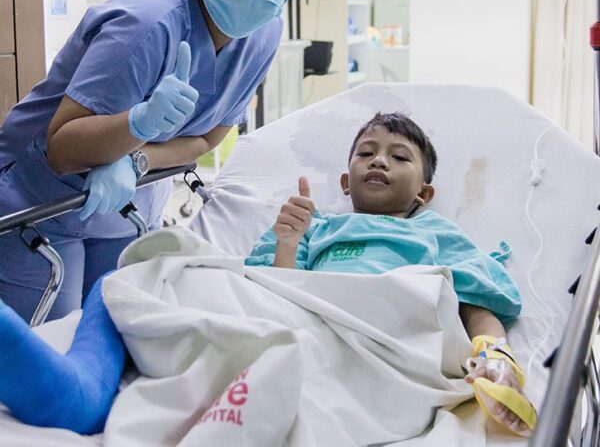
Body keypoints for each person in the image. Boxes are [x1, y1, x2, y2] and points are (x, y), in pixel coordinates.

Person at [0, 112, 535, 436]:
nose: (379, 161)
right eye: (366, 153)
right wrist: (288, 242)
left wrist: (496, 357)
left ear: (424, 192)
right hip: (297, 312)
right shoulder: (316, 227)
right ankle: (80, 388)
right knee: (142, 273)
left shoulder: (435, 234)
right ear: (345, 182)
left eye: (399, 157)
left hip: (376, 336)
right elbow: (271, 291)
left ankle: (81, 399)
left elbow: (475, 300)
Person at [0, 0, 304, 322]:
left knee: (116, 339)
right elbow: (63, 150)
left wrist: (137, 159)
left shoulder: (264, 34)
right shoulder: (147, 24)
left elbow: (207, 138)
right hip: (41, 202)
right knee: (49, 353)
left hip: (130, 201)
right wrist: (138, 123)